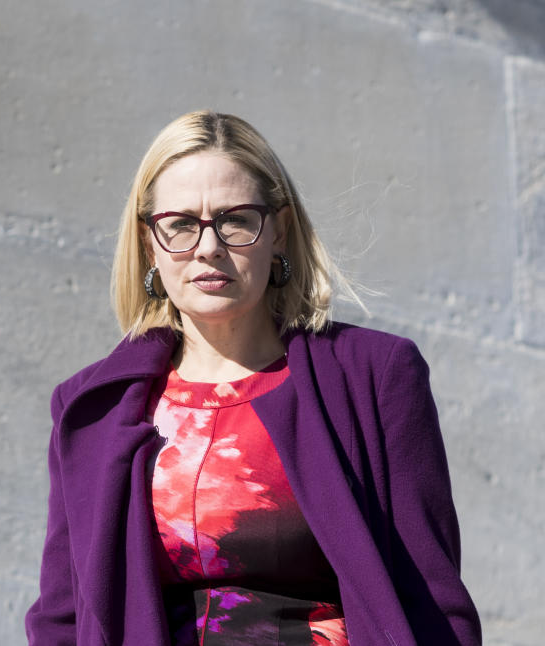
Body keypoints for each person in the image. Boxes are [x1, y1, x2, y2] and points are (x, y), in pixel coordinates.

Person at [24, 111, 481, 646]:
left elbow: (433, 597)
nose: (208, 246)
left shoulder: (375, 376)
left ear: (278, 233)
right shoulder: (91, 406)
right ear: (150, 244)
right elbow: (63, 616)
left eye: (235, 219)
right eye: (180, 225)